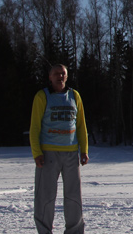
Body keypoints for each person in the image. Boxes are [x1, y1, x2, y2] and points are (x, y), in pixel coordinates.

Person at [30, 64, 89, 234]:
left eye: (63, 73)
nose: (60, 76)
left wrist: (84, 150)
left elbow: (81, 126)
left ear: (67, 76)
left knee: (73, 197)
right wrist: (37, 153)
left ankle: (75, 231)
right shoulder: (42, 96)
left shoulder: (74, 96)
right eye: (56, 73)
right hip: (48, 154)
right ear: (50, 77)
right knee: (45, 197)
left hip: (71, 154)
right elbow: (34, 127)